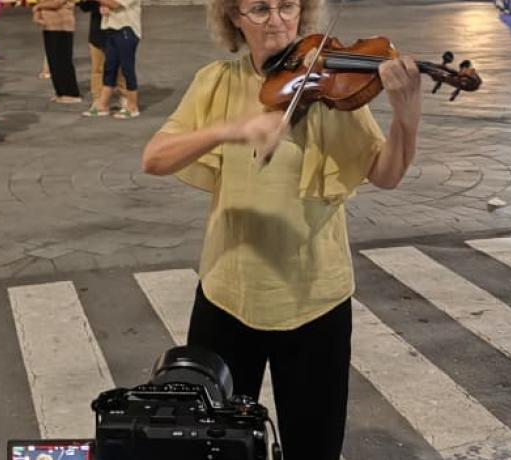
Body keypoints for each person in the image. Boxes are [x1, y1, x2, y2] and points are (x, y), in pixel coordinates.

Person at [141, 0, 422, 458]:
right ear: (234, 18)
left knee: (314, 447)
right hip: (229, 295)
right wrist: (230, 130)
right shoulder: (217, 81)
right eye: (259, 8)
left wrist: (407, 115)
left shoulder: (330, 84)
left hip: (315, 299)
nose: (276, 20)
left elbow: (387, 174)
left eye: (287, 5)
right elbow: (154, 158)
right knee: (218, 445)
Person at [78, 0, 126, 117]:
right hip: (97, 30)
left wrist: (107, 4)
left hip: (119, 25)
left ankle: (125, 98)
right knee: (97, 68)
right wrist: (99, 5)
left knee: (121, 68)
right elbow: (84, 6)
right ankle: (98, 100)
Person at [93, 0, 139, 118]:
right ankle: (103, 105)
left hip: (127, 30)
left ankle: (132, 106)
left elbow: (115, 4)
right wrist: (103, 5)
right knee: (109, 67)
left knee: (127, 68)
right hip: (111, 29)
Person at [32, 0, 80, 103]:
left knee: (63, 61)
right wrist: (38, 12)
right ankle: (61, 92)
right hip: (49, 25)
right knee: (54, 61)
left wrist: (37, 7)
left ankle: (71, 93)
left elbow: (57, 2)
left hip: (62, 26)